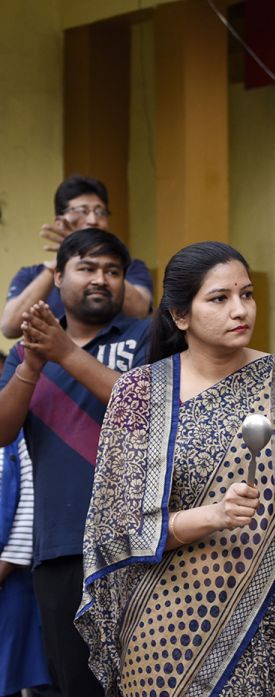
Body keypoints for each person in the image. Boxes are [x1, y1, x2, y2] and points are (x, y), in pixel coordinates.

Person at [75, 241, 275, 696]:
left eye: (246, 294)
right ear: (180, 315)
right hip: (173, 630)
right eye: (220, 298)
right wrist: (210, 517)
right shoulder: (140, 394)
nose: (240, 310)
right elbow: (117, 532)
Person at [0, 228, 150, 697]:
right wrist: (31, 365)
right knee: (74, 684)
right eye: (86, 268)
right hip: (60, 547)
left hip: (140, 541)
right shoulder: (27, 349)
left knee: (142, 681)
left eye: (112, 271)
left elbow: (145, 409)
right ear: (58, 276)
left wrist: (64, 353)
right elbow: (3, 432)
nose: (101, 279)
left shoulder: (146, 336)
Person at [1, 175, 153, 339]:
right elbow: (10, 328)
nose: (93, 220)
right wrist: (57, 264)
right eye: (82, 211)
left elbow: (140, 311)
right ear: (59, 222)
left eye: (100, 212)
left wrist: (94, 255)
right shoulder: (31, 274)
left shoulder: (131, 267)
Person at [0, 349, 51, 697]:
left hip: (11, 574)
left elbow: (30, 504)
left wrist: (5, 565)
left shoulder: (16, 435)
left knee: (13, 669)